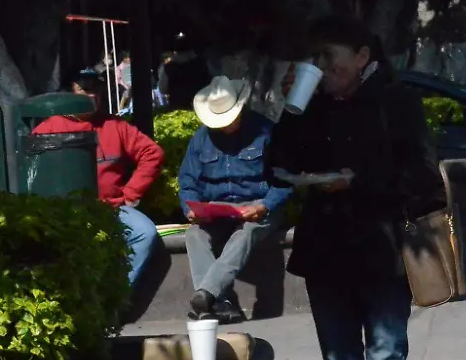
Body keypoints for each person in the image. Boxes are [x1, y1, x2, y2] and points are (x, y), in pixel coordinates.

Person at [266, 16, 445, 360]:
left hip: (383, 252)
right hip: (327, 254)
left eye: (329, 56)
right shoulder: (312, 104)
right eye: (315, 59)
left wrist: (358, 182)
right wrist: (292, 110)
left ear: (363, 55)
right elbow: (275, 166)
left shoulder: (396, 101)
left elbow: (424, 180)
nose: (322, 68)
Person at [32, 70, 165, 286]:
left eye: (95, 90)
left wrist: (131, 193)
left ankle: (116, 294)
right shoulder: (50, 127)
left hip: (111, 209)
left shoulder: (115, 125)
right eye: (84, 90)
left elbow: (153, 153)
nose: (91, 96)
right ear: (70, 93)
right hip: (67, 213)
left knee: (145, 232)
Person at [179, 75, 292, 323]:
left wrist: (264, 206)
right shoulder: (200, 138)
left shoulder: (266, 132)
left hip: (258, 205)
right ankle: (219, 302)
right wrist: (190, 208)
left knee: (246, 232)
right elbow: (187, 181)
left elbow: (285, 180)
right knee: (194, 234)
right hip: (216, 209)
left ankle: (208, 295)